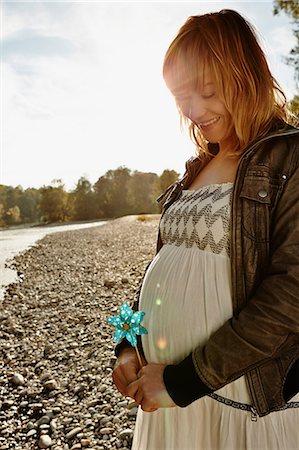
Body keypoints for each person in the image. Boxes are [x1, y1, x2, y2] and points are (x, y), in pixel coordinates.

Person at [112, 9, 299, 450]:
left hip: (236, 401)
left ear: (246, 74)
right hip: (167, 397)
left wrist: (185, 380)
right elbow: (155, 273)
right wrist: (124, 341)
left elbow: (291, 293)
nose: (194, 111)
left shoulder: (290, 159)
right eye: (181, 98)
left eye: (208, 92)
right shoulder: (192, 171)